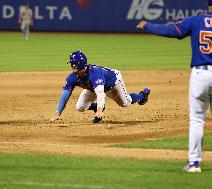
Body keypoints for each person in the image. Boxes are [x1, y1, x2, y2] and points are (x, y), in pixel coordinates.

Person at [136, 0, 212, 173]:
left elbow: (172, 31)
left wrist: (148, 25)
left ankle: (194, 164)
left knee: (197, 120)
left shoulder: (196, 21)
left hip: (200, 74)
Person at [50, 50, 150, 123]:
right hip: (94, 87)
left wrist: (99, 111)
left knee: (125, 103)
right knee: (80, 107)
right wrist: (57, 113)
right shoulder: (72, 77)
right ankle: (97, 108)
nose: (73, 66)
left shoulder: (95, 74)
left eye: (75, 64)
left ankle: (142, 96)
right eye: (72, 63)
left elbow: (101, 94)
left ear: (82, 63)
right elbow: (65, 95)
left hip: (113, 83)